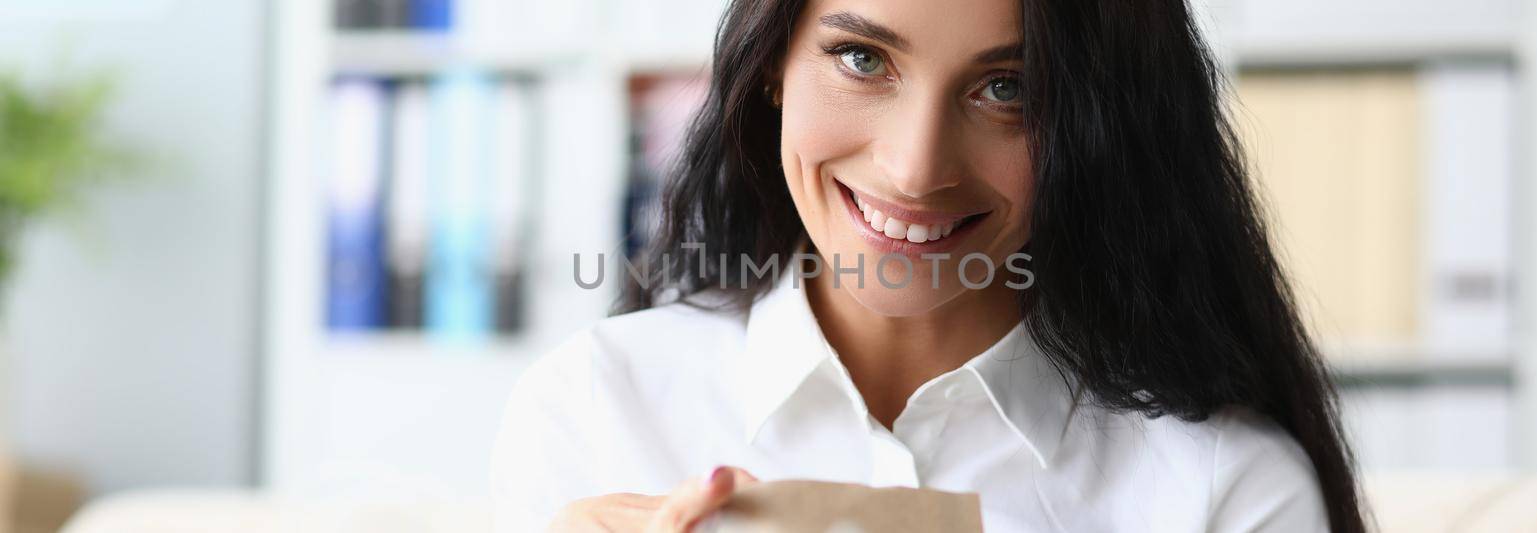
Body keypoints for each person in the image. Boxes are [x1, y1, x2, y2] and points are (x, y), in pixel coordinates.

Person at [491, 0, 1367, 531]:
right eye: (862, 58)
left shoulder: (1224, 487)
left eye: (1008, 88)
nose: (914, 168)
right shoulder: (593, 409)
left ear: (1100, 129)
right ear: (771, 69)